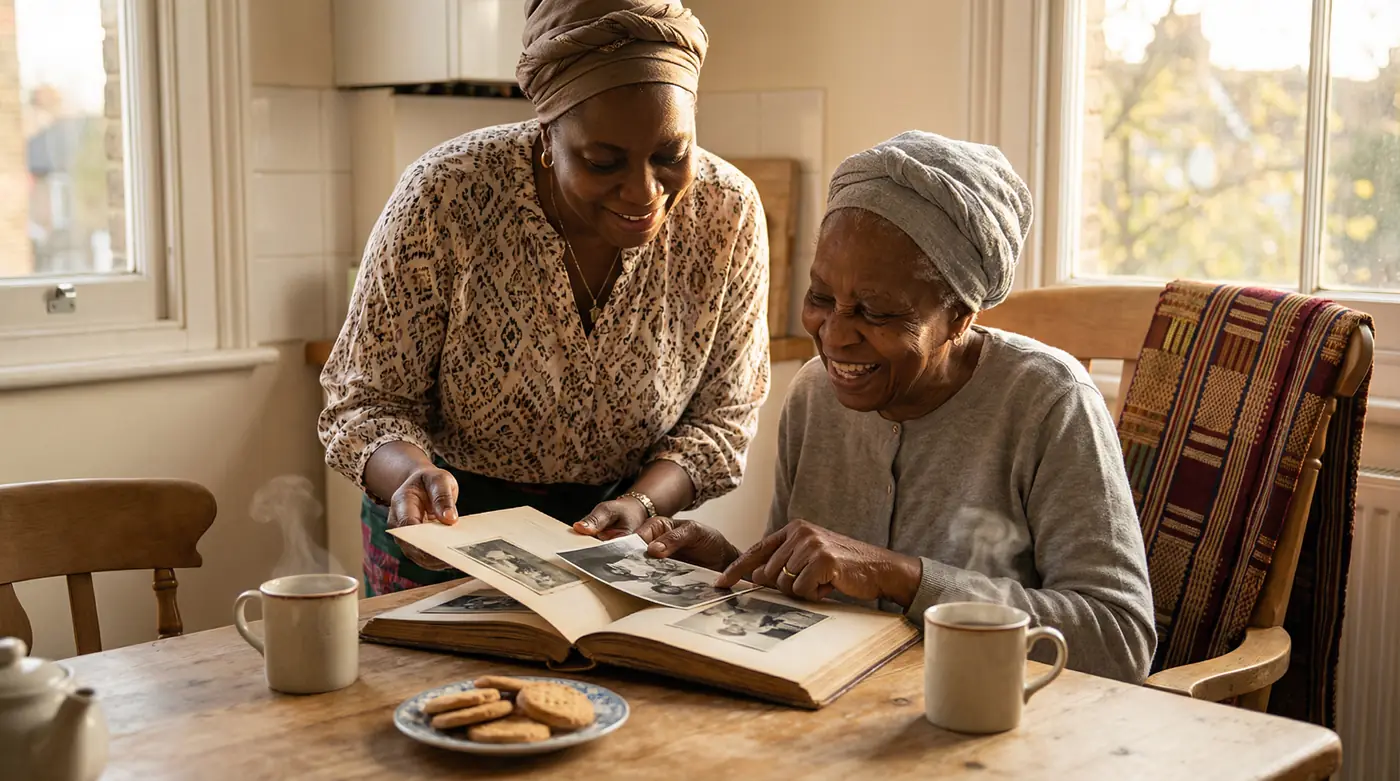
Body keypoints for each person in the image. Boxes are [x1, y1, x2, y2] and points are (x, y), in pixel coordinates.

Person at [594, 131, 1157, 684]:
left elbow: (1121, 640)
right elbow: (803, 590)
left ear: (961, 315)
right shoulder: (815, 395)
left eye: (878, 312)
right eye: (820, 298)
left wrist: (904, 577)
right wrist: (730, 566)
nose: (835, 336)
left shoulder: (1050, 402)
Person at [317, 0, 770, 596]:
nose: (643, 191)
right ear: (547, 136)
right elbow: (364, 401)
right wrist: (410, 478)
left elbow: (722, 420)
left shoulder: (726, 214)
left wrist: (640, 502)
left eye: (671, 155)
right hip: (442, 528)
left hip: (616, 536)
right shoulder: (446, 194)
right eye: (603, 161)